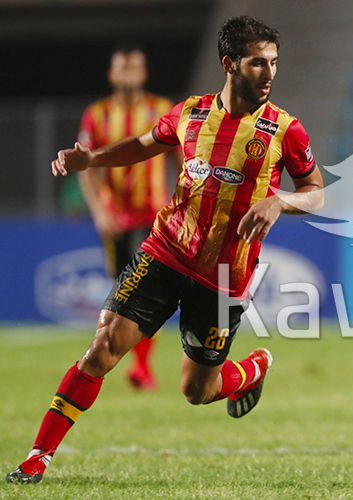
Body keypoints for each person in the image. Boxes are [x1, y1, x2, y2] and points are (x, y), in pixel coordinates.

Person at [7, 16, 324, 485]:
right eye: (258, 62)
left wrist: (281, 200)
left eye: (273, 63)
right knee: (100, 349)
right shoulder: (189, 114)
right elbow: (141, 146)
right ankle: (38, 456)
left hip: (223, 278)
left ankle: (252, 369)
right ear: (229, 64)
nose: (269, 73)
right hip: (164, 251)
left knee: (198, 391)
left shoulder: (285, 130)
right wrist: (93, 159)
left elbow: (316, 191)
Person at [78, 42, 177, 391]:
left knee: (146, 287)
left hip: (153, 214)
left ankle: (141, 366)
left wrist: (182, 203)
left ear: (144, 73)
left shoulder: (162, 110)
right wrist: (99, 211)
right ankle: (133, 362)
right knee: (123, 288)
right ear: (111, 73)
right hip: (115, 218)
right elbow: (86, 167)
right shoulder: (97, 114)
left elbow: (181, 160)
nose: (128, 74)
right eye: (122, 68)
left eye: (134, 68)